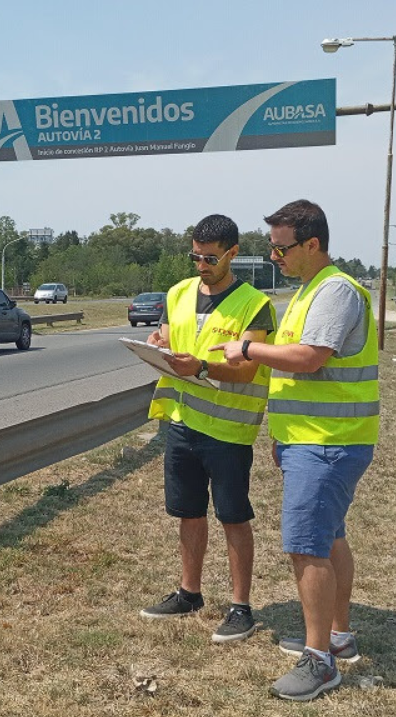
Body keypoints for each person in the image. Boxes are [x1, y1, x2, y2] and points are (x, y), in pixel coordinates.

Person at [214, 199, 379, 701]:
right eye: (271, 247)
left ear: (313, 244)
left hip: (325, 443)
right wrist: (283, 438)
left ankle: (319, 662)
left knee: (306, 546)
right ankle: (337, 635)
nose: (274, 257)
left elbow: (308, 358)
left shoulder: (333, 290)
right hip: (311, 439)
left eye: (282, 248)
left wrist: (248, 349)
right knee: (328, 539)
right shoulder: (310, 290)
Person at [140, 213, 276, 645]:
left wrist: (201, 365)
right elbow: (165, 335)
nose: (201, 264)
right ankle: (189, 593)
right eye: (195, 255)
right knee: (189, 512)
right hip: (182, 424)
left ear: (232, 254)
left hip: (228, 431)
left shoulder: (255, 304)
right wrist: (159, 344)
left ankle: (241, 608)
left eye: (210, 257)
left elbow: (250, 370)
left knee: (233, 517)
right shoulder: (177, 292)